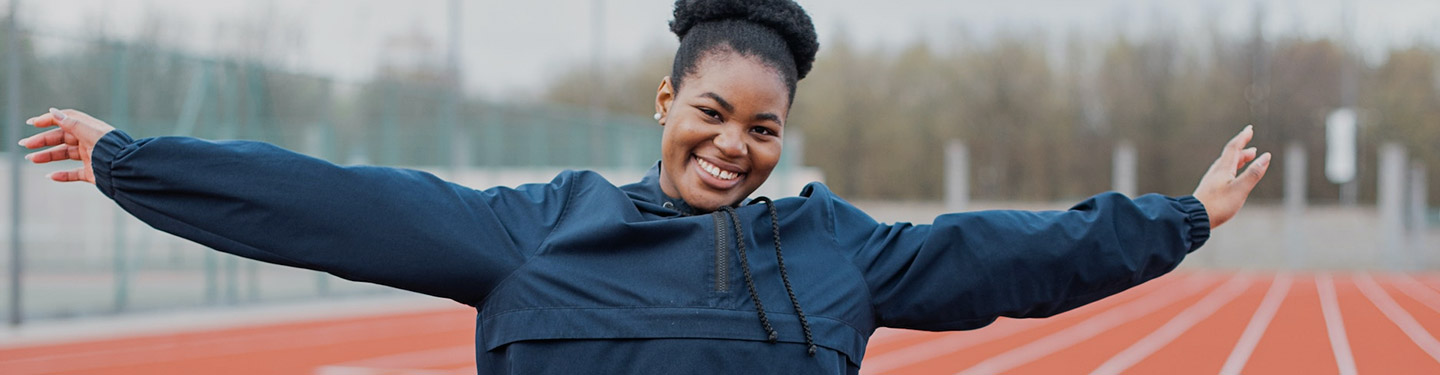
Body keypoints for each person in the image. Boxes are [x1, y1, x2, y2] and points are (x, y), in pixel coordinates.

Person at [18, 0, 1269, 373]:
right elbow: (333, 201)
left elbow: (1019, 254)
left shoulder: (841, 253)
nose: (735, 145)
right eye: (713, 115)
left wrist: (1184, 217)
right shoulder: (534, 231)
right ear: (665, 109)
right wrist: (136, 158)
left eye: (764, 128)